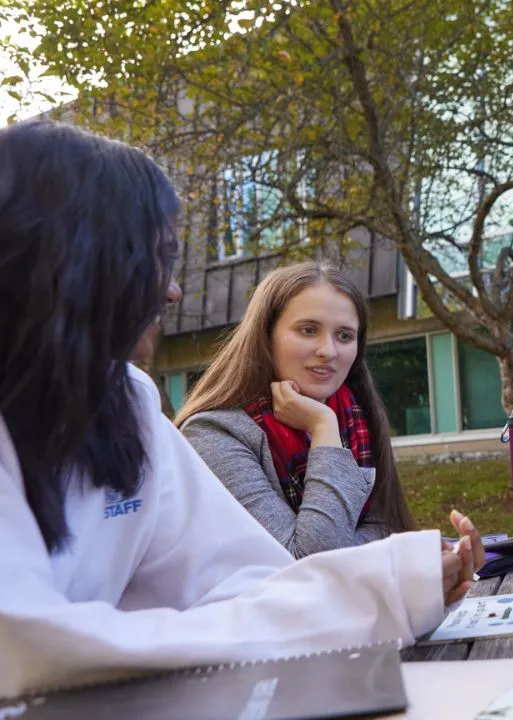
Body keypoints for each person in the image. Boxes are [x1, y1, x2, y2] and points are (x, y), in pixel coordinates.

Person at [0, 119, 483, 697]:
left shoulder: (126, 408)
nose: (172, 290)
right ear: (76, 261)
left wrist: (403, 581)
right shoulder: (215, 432)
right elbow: (29, 646)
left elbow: (245, 580)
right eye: (155, 257)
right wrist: (383, 591)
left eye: (346, 336)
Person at [176, 263, 414, 557]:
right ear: (265, 336)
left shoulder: (356, 419)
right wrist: (323, 428)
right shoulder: (212, 434)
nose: (328, 350)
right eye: (308, 330)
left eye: (344, 336)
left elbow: (390, 528)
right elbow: (309, 560)